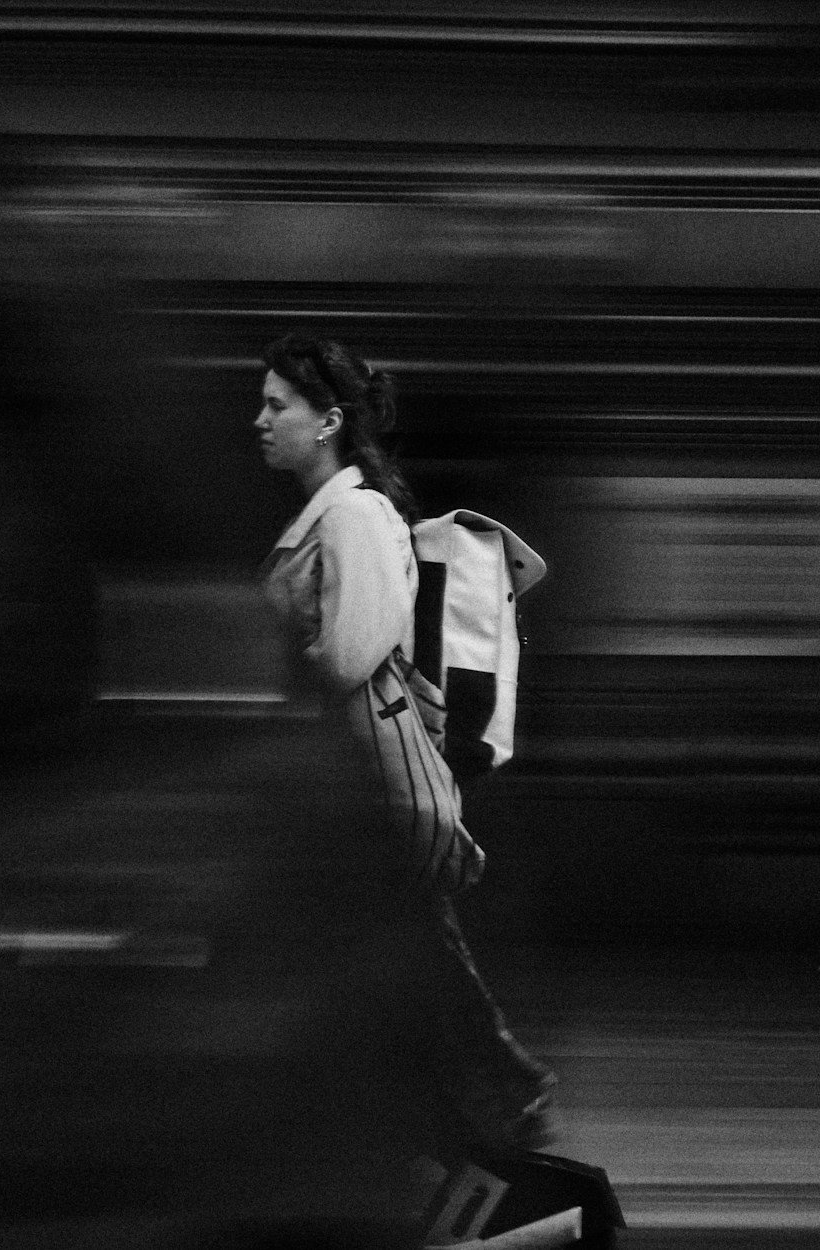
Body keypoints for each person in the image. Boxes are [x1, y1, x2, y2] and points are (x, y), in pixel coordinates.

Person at [253, 332, 557, 1159]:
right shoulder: (338, 513)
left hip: (367, 785)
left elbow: (354, 652)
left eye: (278, 404)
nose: (261, 419)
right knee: (406, 960)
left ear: (328, 421)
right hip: (351, 784)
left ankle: (502, 1113)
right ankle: (478, 1115)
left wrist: (277, 666)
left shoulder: (355, 514)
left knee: (409, 960)